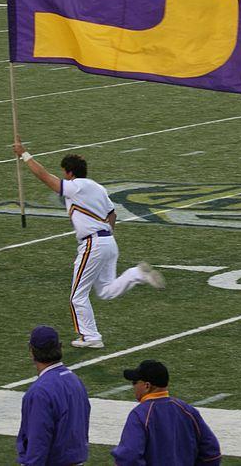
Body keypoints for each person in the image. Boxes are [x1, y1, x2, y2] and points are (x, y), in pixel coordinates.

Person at [12, 144, 165, 349]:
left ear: (70, 173)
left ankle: (90, 337)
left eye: (64, 173)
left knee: (77, 295)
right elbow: (113, 214)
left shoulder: (77, 186)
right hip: (108, 242)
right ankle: (136, 274)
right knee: (105, 291)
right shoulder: (97, 187)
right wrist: (106, 235)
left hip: (93, 243)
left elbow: (45, 178)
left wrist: (24, 154)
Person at [112, 360, 222, 465]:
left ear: (147, 386)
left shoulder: (140, 414)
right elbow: (212, 452)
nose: (133, 386)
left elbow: (129, 457)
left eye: (135, 382)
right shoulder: (187, 410)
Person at [16, 326, 90, 465]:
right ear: (60, 347)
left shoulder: (39, 391)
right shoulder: (75, 380)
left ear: (31, 351)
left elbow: (38, 440)